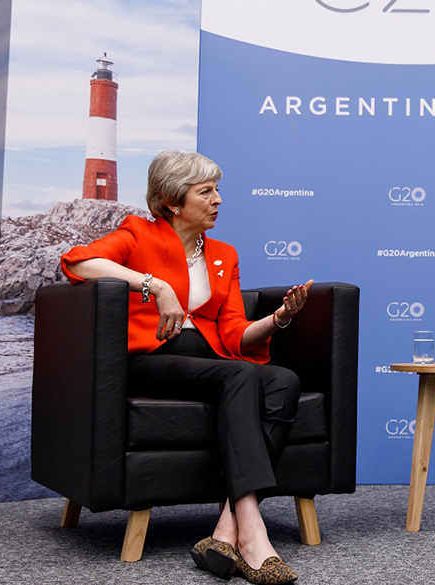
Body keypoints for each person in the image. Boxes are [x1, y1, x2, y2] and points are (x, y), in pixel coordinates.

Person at [62, 150, 312, 585]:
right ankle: (252, 531)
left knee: (283, 380)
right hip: (151, 359)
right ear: (173, 200)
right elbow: (78, 262)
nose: (218, 200)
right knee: (241, 374)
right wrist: (152, 285)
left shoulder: (223, 253)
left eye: (217, 190)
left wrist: (280, 319)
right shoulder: (137, 233)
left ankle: (226, 527)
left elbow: (234, 331)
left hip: (211, 361)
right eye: (206, 192)